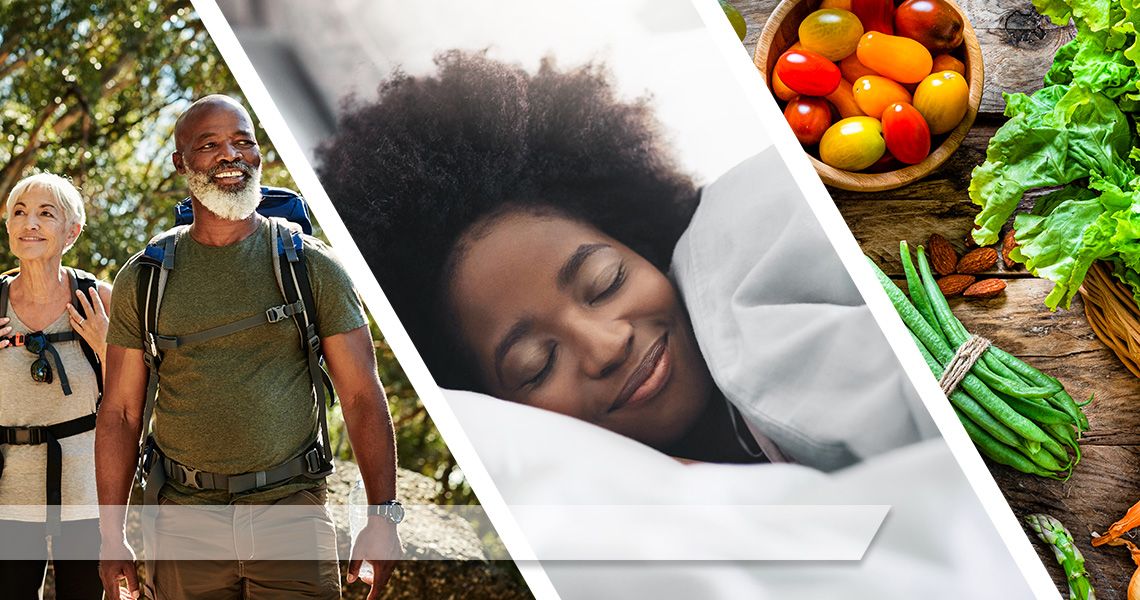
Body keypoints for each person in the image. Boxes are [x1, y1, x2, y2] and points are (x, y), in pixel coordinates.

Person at [316, 51, 927, 469]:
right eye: (534, 365)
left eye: (605, 281)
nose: (606, 345)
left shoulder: (753, 274)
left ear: (641, 239)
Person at [95, 95, 401, 600]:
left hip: (292, 517)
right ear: (181, 163)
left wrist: (384, 518)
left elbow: (363, 397)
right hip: (182, 524)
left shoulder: (311, 266)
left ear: (259, 154)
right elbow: (122, 413)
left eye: (242, 141)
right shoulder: (144, 278)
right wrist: (112, 537)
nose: (230, 155)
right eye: (209, 144)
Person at [0, 172, 111, 599]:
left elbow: (137, 392)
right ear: (8, 226)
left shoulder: (98, 298)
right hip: (9, 486)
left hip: (86, 485)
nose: (30, 223)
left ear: (72, 231)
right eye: (20, 212)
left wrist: (105, 346)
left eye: (46, 214)